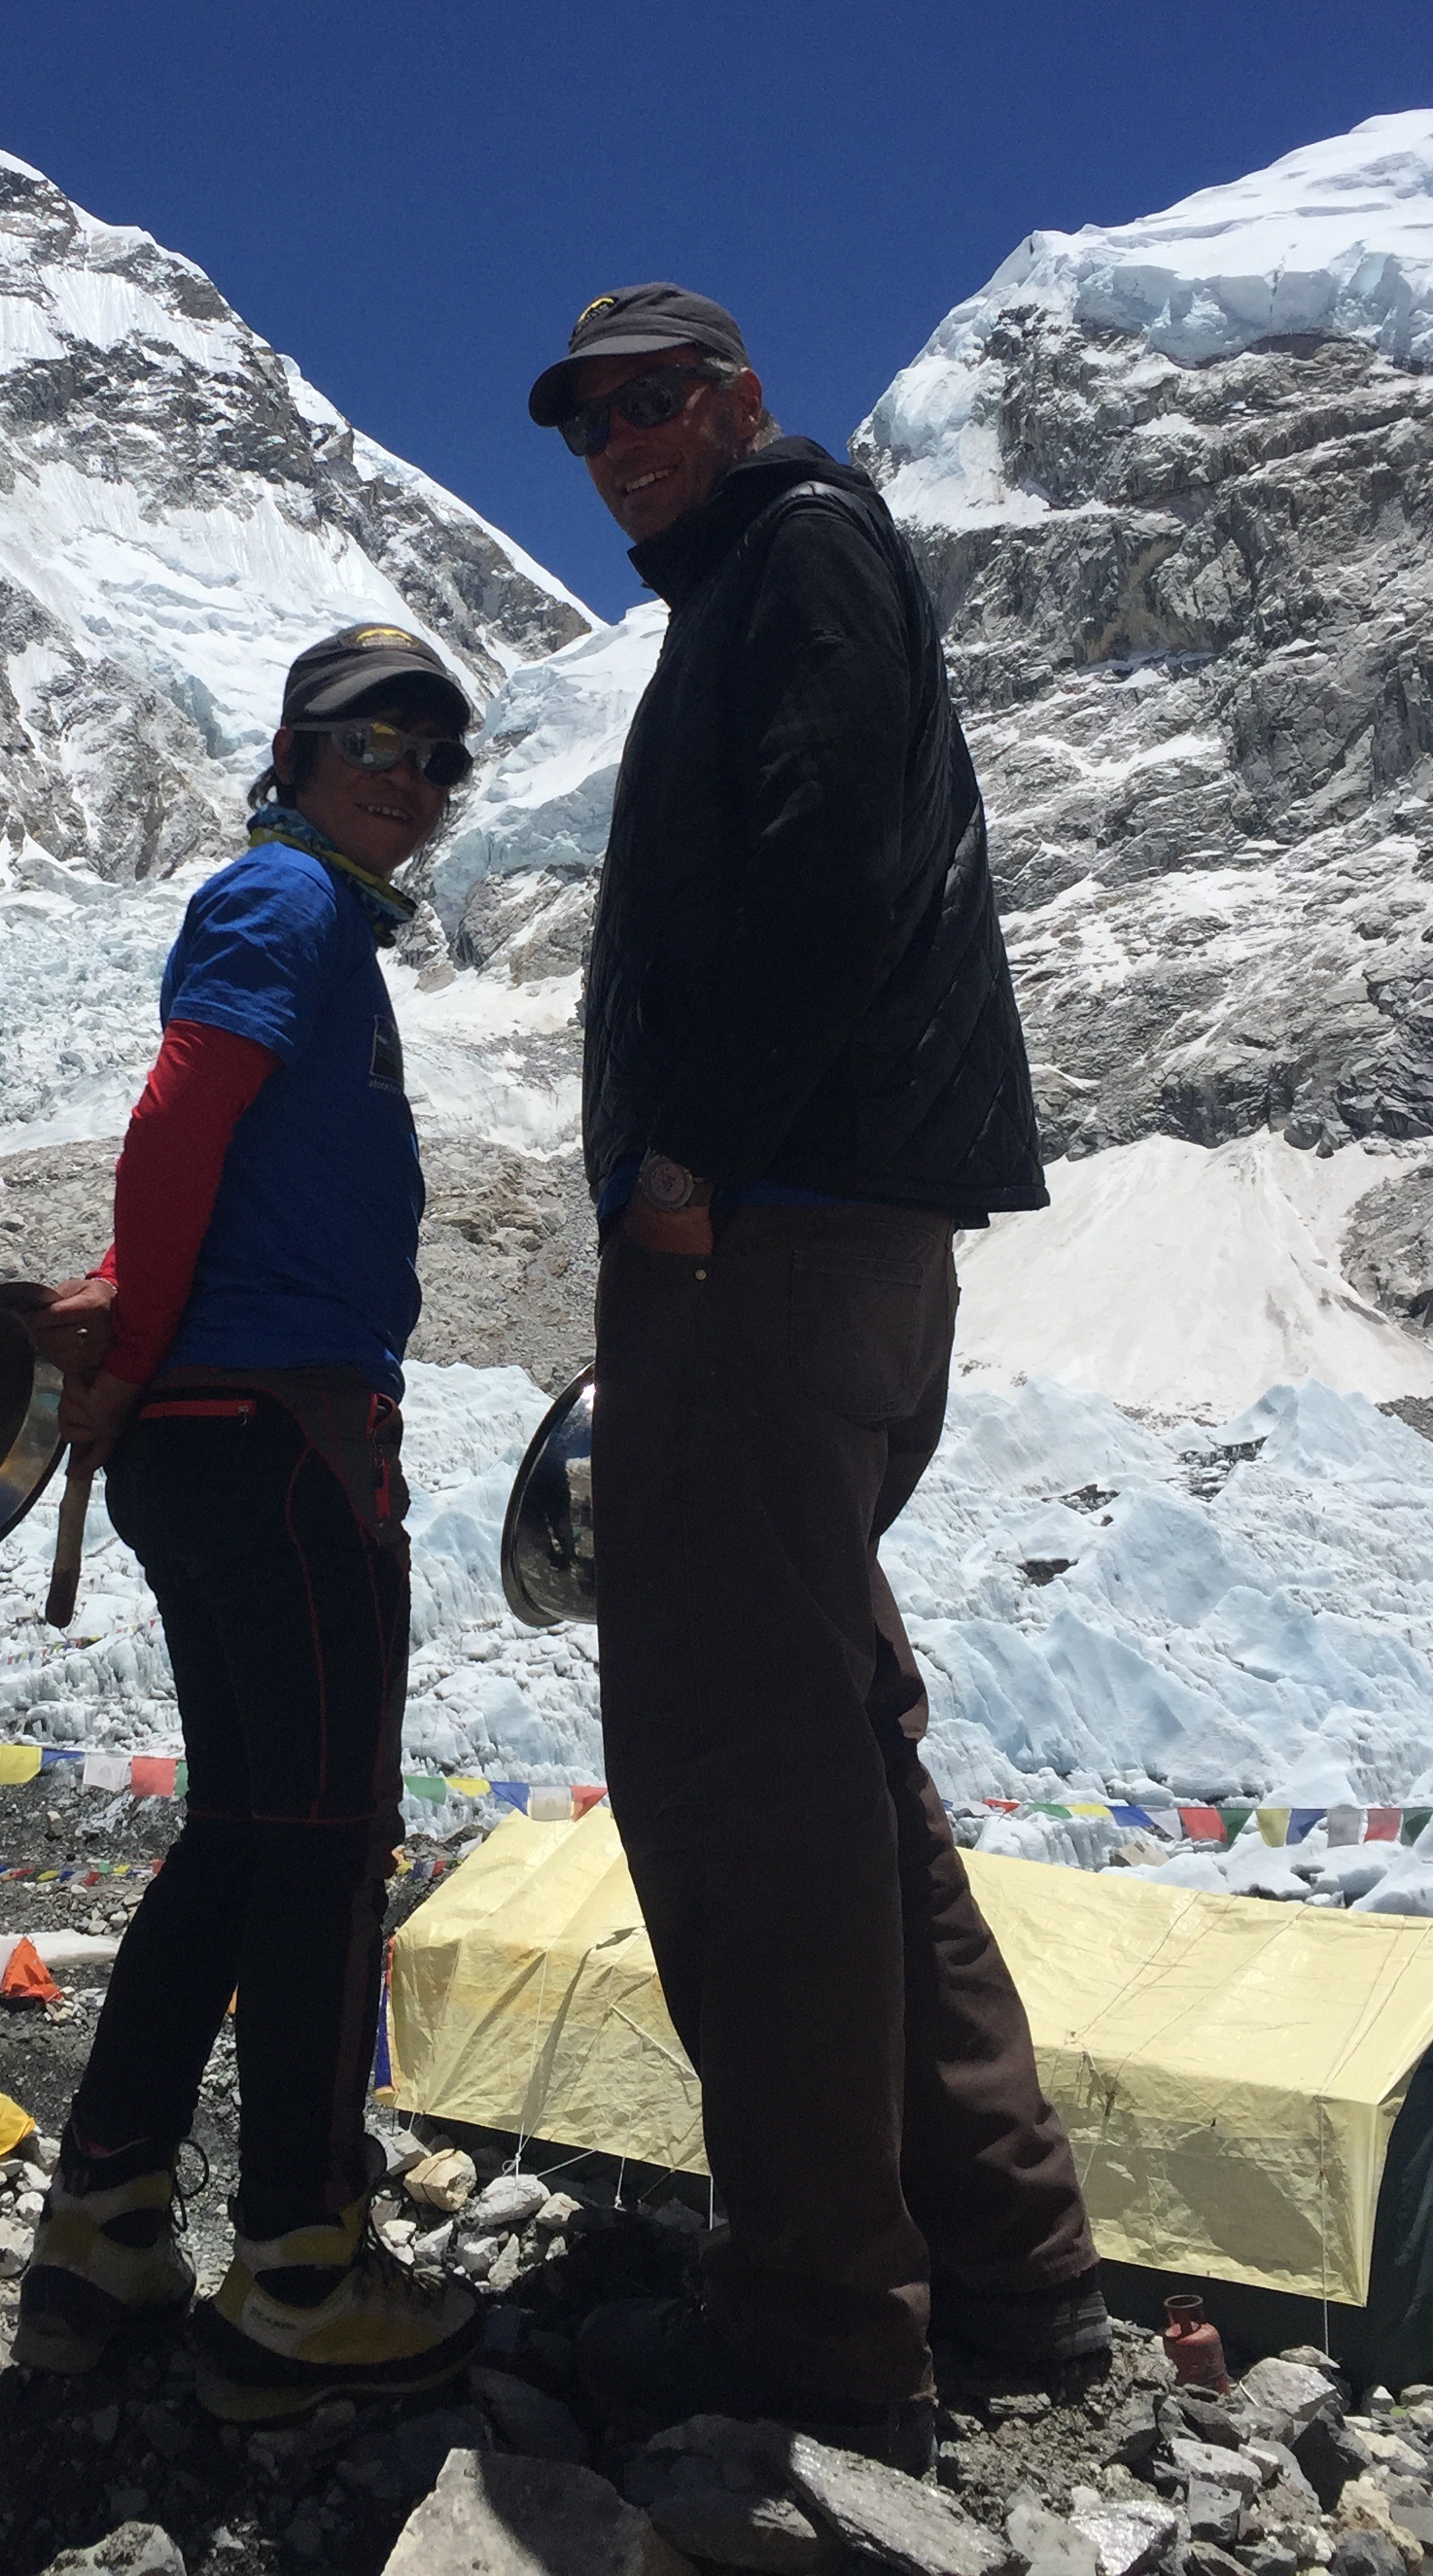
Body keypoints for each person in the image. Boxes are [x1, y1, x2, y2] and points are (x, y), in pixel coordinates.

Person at [524, 286, 1102, 2470]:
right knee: (838, 1740)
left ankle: (817, 2323)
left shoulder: (800, 548)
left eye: (659, 400)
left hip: (768, 1237)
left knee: (737, 1771)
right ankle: (1008, 2266)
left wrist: (693, 1153)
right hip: (823, 1233)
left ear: (740, 401)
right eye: (593, 421)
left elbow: (830, 863)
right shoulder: (762, 574)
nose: (625, 440)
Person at [11, 623, 486, 2424]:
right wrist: (129, 1346)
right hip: (286, 1440)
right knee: (325, 1844)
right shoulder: (283, 905)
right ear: (297, 748)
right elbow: (180, 1114)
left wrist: (137, 1323)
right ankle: (299, 2263)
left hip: (225, 1438)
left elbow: (207, 1168)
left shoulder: (313, 921)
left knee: (245, 1833)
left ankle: (106, 2227)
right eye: (379, 736)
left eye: (444, 756)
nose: (414, 774)